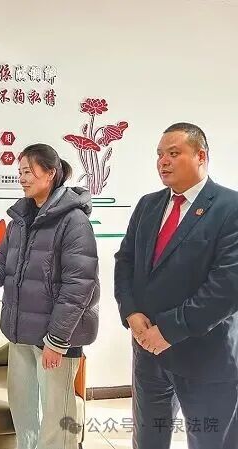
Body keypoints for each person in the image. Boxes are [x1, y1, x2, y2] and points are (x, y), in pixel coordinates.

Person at [0, 143, 99, 449]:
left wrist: (57, 340)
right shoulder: (20, 221)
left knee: (58, 418)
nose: (21, 178)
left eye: (28, 172)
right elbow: (0, 265)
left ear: (50, 173)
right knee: (23, 410)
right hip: (20, 332)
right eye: (20, 172)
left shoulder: (74, 222)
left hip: (56, 338)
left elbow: (79, 285)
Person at [114, 123, 238, 449]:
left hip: (205, 354)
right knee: (148, 439)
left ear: (201, 156)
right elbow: (125, 262)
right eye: (159, 154)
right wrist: (131, 312)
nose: (163, 161)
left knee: (211, 440)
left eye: (173, 153)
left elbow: (227, 286)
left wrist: (168, 330)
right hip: (148, 352)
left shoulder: (230, 208)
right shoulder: (148, 205)